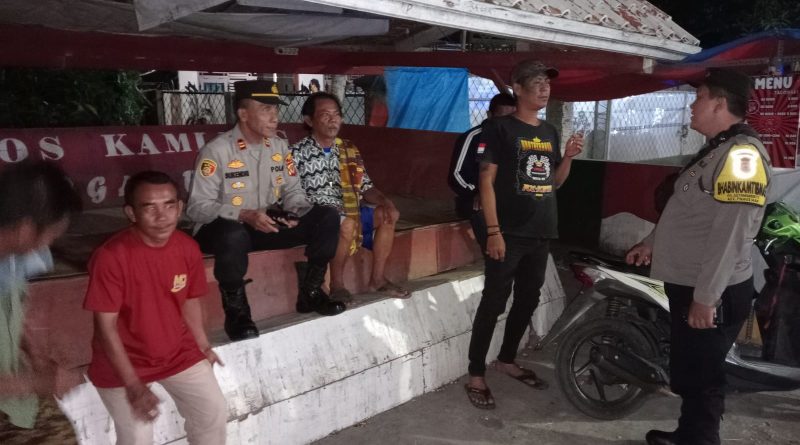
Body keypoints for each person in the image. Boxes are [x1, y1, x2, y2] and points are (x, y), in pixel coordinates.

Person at [626, 69, 772, 445]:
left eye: (699, 97)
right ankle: (688, 434)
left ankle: (702, 439)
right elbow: (689, 211)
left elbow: (731, 234)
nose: (692, 106)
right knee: (692, 370)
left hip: (710, 288)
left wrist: (707, 297)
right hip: (692, 280)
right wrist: (652, 242)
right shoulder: (718, 149)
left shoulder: (741, 156)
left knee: (705, 376)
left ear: (719, 104)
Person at [464, 60, 583, 409]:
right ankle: (476, 373)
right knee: (494, 301)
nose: (544, 88)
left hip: (541, 231)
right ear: (517, 88)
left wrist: (568, 158)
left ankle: (506, 359)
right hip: (508, 232)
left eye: (547, 82)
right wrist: (493, 231)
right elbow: (485, 181)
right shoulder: (497, 128)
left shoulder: (549, 131)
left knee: (528, 299)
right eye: (536, 82)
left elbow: (553, 182)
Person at [186, 80, 344, 342]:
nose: (274, 117)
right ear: (243, 114)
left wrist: (294, 212)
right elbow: (196, 208)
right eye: (265, 109)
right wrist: (242, 214)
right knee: (233, 234)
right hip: (221, 228)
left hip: (262, 223)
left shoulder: (279, 147)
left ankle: (311, 291)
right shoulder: (217, 151)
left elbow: (293, 191)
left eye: (276, 110)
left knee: (326, 216)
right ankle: (237, 313)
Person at [84, 171, 227, 445]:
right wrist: (133, 384)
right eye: (150, 207)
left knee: (213, 413)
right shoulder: (111, 257)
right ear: (131, 213)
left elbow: (189, 300)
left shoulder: (187, 248)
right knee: (138, 437)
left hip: (178, 353)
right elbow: (105, 326)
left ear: (180, 207)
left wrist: (203, 346)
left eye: (169, 205)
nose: (162, 217)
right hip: (124, 363)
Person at [292, 92, 409, 302]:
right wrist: (328, 210)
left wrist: (386, 202)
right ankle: (337, 285)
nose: (333, 120)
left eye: (336, 114)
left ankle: (377, 279)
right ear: (309, 120)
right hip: (318, 218)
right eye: (325, 115)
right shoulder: (296, 153)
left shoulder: (349, 149)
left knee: (388, 215)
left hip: (351, 211)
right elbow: (291, 196)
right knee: (345, 222)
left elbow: (366, 187)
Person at [0, 161, 82, 444]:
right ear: (25, 229)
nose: (47, 249)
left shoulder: (11, 260)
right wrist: (37, 383)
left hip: (14, 396)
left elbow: (11, 311)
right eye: (51, 236)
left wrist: (29, 346)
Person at [448, 93, 516, 249]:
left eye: (511, 118)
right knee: (482, 211)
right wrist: (477, 192)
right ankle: (494, 253)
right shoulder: (473, 137)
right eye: (501, 118)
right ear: (490, 115)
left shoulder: (515, 138)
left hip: (505, 199)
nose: (506, 123)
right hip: (473, 200)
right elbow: (456, 175)